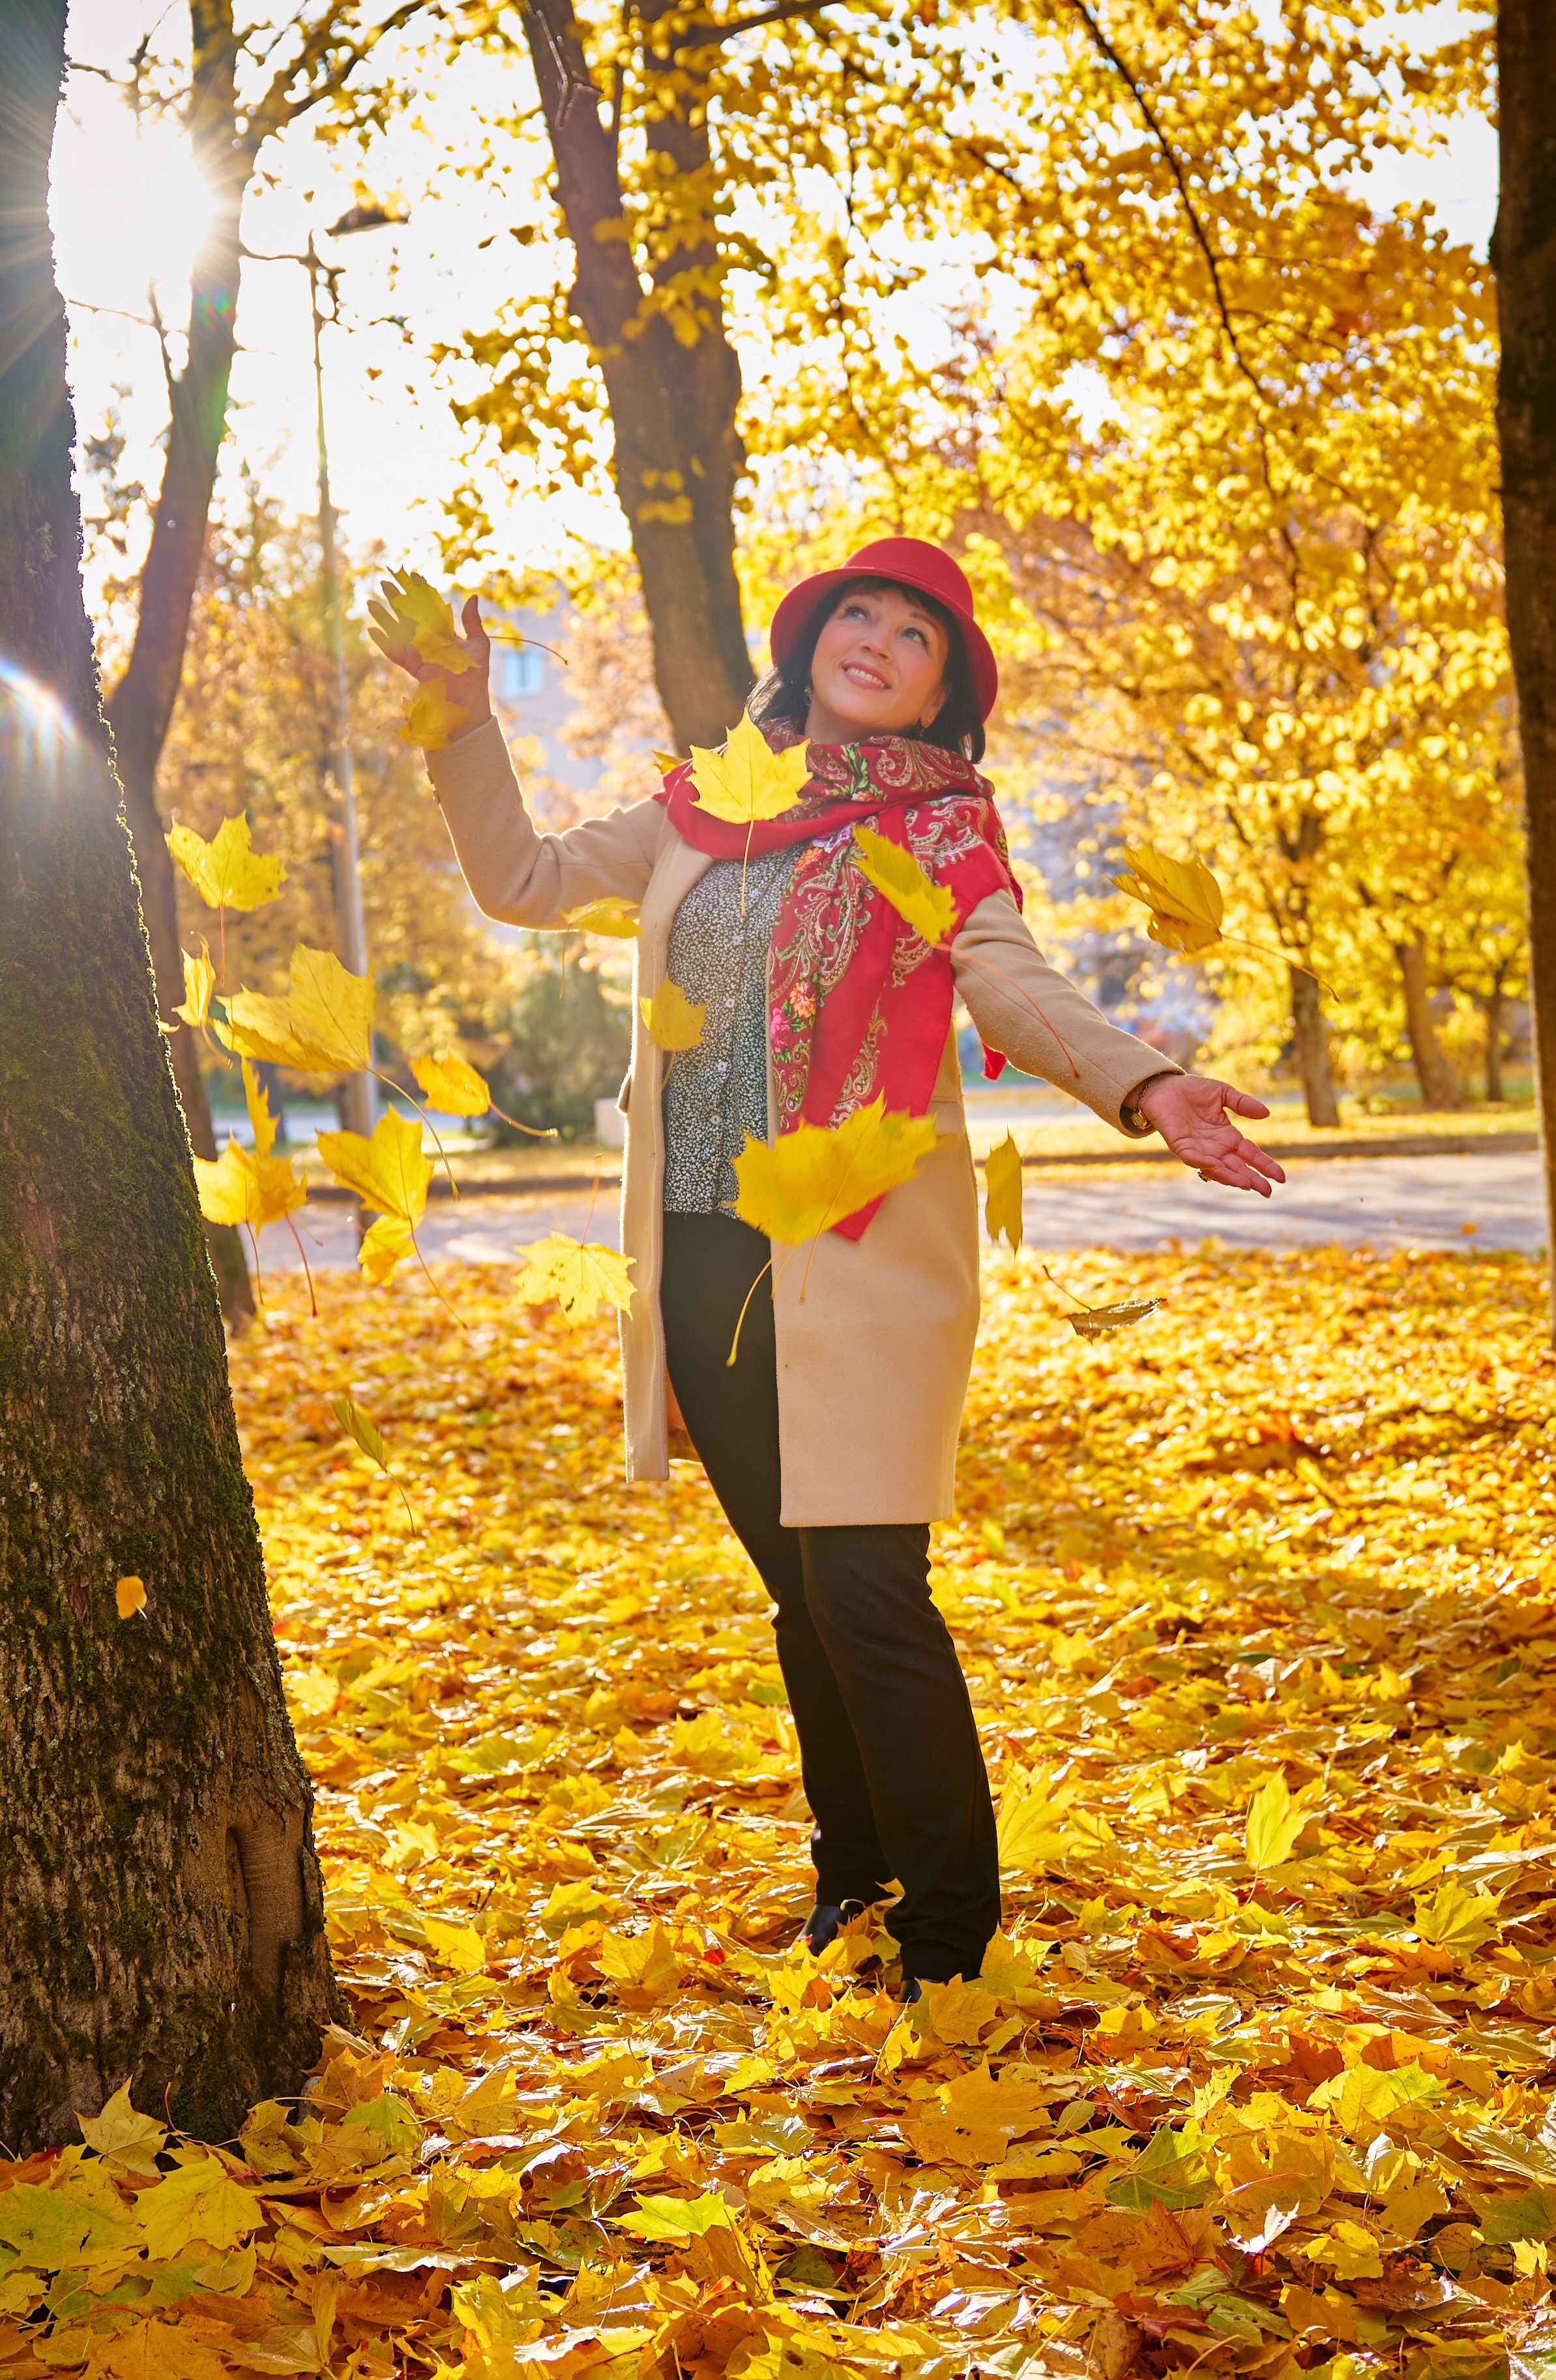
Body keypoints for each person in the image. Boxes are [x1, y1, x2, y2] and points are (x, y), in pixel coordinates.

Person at [382, 537, 1285, 1995]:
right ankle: (851, 1882)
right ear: (806, 648)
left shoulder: (940, 836)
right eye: (853, 614)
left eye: (913, 633)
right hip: (701, 1253)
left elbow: (1011, 980)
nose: (875, 639)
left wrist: (1144, 1084)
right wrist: (462, 717)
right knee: (801, 1597)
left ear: (943, 693)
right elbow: (522, 880)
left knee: (869, 1589)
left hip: (859, 1258)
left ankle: (949, 1938)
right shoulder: (702, 809)